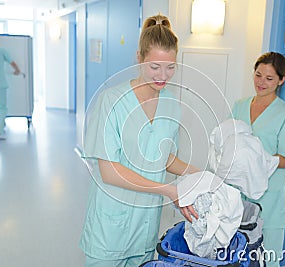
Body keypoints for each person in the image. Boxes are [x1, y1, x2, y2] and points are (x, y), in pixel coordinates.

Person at [80, 14, 200, 267]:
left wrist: (202, 174)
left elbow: (165, 158)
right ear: (139, 58)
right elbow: (109, 171)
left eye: (170, 67)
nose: (163, 75)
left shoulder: (172, 105)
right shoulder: (111, 101)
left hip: (145, 226)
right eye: (155, 66)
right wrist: (168, 190)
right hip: (111, 225)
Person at [231, 52, 285, 267]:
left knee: (266, 259)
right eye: (258, 75)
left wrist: (262, 160)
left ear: (282, 80)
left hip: (269, 200)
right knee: (234, 256)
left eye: (269, 78)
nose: (261, 82)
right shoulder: (239, 106)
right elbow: (228, 140)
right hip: (237, 195)